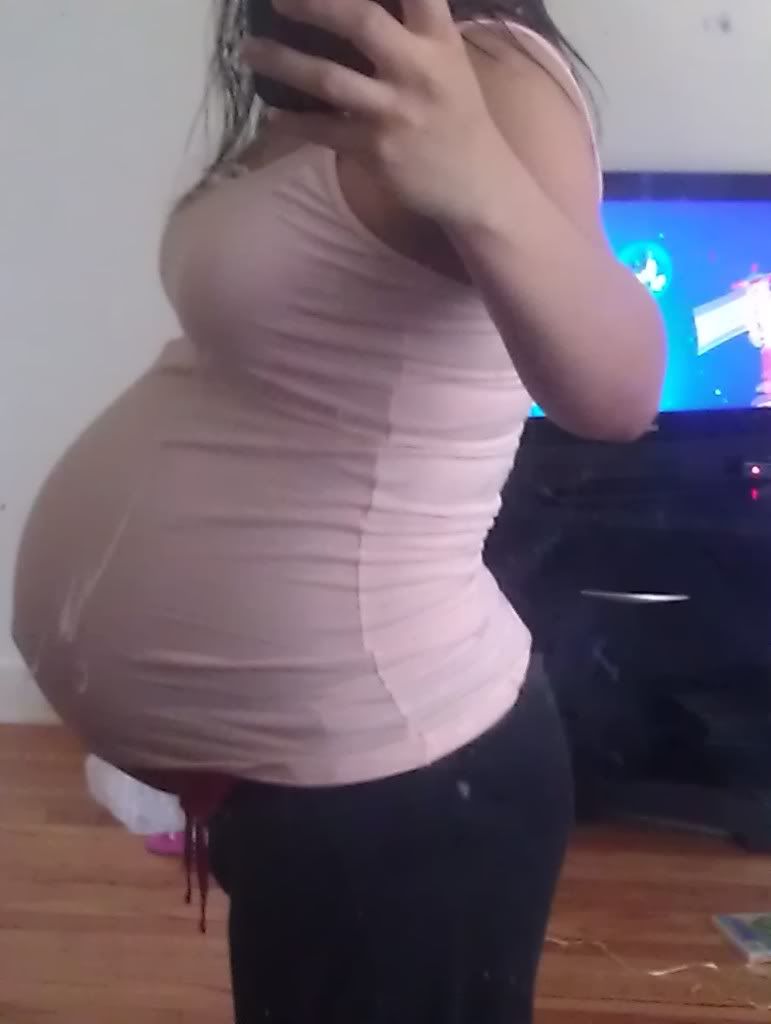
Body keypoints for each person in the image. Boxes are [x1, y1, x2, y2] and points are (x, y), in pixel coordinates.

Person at [13, 0, 665, 1020]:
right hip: (309, 782)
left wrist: (481, 178)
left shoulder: (494, 73)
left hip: (405, 783)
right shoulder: (322, 60)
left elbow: (620, 392)